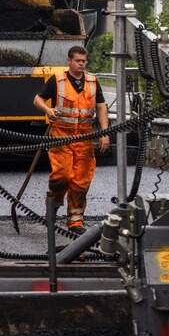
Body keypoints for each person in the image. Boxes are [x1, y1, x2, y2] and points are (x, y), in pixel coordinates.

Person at [33, 45, 109, 234]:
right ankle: (54, 202)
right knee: (62, 175)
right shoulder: (57, 80)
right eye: (78, 61)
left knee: (81, 180)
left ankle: (75, 221)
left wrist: (105, 133)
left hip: (85, 138)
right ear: (69, 61)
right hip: (61, 136)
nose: (81, 64)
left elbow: (101, 106)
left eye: (84, 61)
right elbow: (37, 99)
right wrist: (48, 110)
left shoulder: (93, 82)